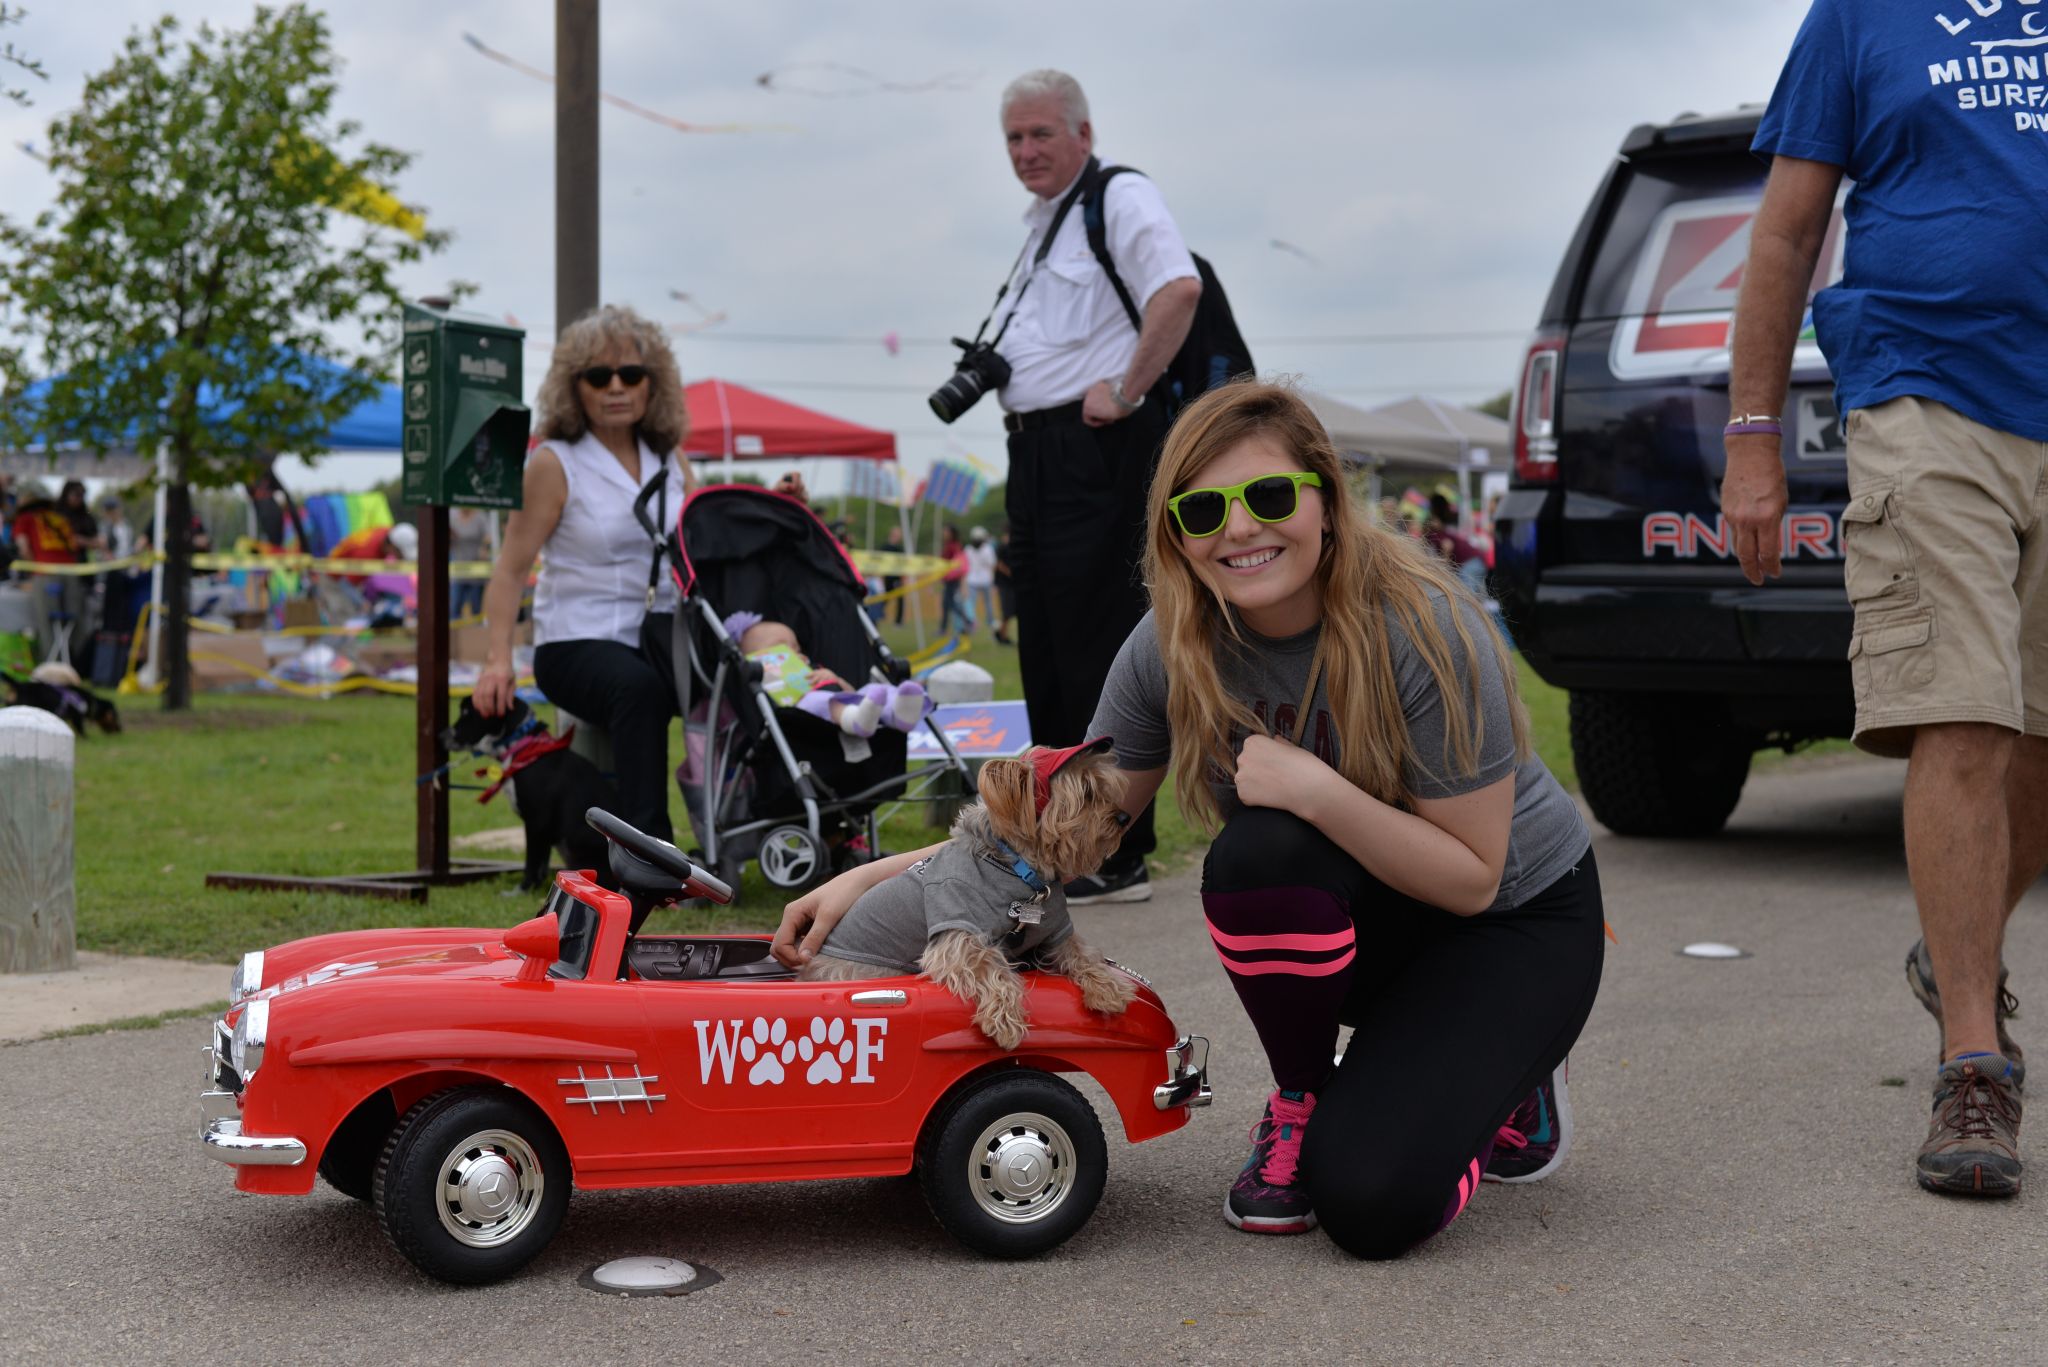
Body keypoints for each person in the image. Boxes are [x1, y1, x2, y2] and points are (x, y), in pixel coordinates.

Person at [779, 382, 1603, 1257]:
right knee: (1257, 855)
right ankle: (1302, 1095)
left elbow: (1475, 878)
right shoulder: (1170, 647)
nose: (1240, 529)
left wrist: (1315, 786)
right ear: (1176, 530)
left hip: (1512, 920)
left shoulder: (1427, 628)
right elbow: (1053, 829)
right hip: (1380, 926)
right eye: (1204, 508)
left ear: (1325, 499)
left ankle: (1512, 1083)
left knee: (1373, 1205)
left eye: (1272, 496)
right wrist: (866, 877)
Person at [1724, 0, 2048, 1199]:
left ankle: (1952, 939)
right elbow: (1785, 230)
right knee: (1963, 712)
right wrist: (1752, 435)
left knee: (2038, 738)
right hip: (1924, 391)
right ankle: (1974, 1061)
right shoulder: (1859, 16)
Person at [990, 69, 1203, 905]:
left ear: (1083, 133)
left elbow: (1178, 288)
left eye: (1041, 133)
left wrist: (1128, 388)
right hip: (1036, 451)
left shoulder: (1116, 194)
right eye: (1013, 138)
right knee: (1041, 646)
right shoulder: (1045, 221)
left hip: (1097, 446)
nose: (1026, 151)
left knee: (1096, 647)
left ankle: (1116, 849)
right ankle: (1056, 842)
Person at [473, 305, 702, 844]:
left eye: (632, 374)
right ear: (574, 388)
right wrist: (497, 660)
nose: (616, 387)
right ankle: (650, 856)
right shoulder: (554, 462)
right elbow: (509, 571)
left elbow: (708, 531)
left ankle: (759, 832)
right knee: (638, 690)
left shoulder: (671, 457)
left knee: (742, 680)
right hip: (577, 640)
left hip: (661, 634)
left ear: (654, 384)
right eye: (598, 376)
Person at [723, 611, 929, 738]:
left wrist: (834, 679)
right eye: (781, 649)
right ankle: (855, 719)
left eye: (796, 647)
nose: (794, 654)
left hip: (855, 708)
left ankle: (899, 714)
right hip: (806, 722)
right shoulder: (766, 682)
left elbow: (850, 693)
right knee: (814, 702)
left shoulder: (814, 670)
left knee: (874, 690)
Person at [447, 506, 492, 620]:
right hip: (458, 568)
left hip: (476, 569)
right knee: (455, 605)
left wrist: (484, 548)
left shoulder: (480, 517)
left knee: (476, 606)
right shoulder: (452, 516)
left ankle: (475, 635)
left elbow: (488, 536)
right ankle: (454, 635)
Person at [963, 525, 999, 639]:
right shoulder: (968, 549)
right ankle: (971, 623)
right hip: (972, 580)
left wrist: (993, 581)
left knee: (988, 603)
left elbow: (992, 565)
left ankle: (990, 623)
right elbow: (965, 566)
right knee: (971, 603)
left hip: (985, 580)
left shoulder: (987, 549)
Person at [937, 524, 973, 635]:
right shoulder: (949, 545)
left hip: (952, 579)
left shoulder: (954, 546)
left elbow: (958, 563)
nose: (944, 533)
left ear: (951, 533)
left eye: (946, 531)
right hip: (948, 578)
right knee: (947, 604)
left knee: (950, 604)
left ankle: (968, 621)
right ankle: (965, 622)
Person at [992, 528, 1017, 646]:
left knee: (1011, 611)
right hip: (1004, 584)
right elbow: (998, 564)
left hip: (1012, 585)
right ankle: (1001, 635)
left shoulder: (1014, 547)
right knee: (1007, 612)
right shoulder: (1002, 548)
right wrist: (1010, 573)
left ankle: (1002, 635)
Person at [881, 523, 907, 625]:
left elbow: (903, 563)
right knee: (885, 597)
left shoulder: (900, 549)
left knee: (900, 598)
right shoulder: (885, 547)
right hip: (887, 576)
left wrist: (903, 577)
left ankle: (898, 621)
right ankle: (877, 613)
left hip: (897, 577)